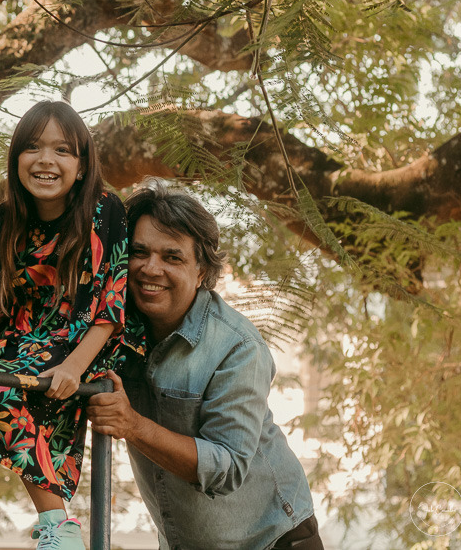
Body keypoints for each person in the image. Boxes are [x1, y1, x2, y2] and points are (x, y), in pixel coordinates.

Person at [86, 182, 324, 550]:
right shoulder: (108, 331)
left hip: (272, 541)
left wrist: (132, 425)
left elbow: (227, 468)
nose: (151, 268)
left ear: (201, 272)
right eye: (139, 252)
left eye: (172, 257)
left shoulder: (237, 346)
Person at [0, 100, 128, 550]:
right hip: (18, 343)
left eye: (62, 150)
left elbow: (110, 306)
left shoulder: (104, 210)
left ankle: (57, 526)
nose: (46, 160)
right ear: (16, 159)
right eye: (32, 147)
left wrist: (74, 367)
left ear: (81, 166)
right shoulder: (5, 219)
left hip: (80, 344)